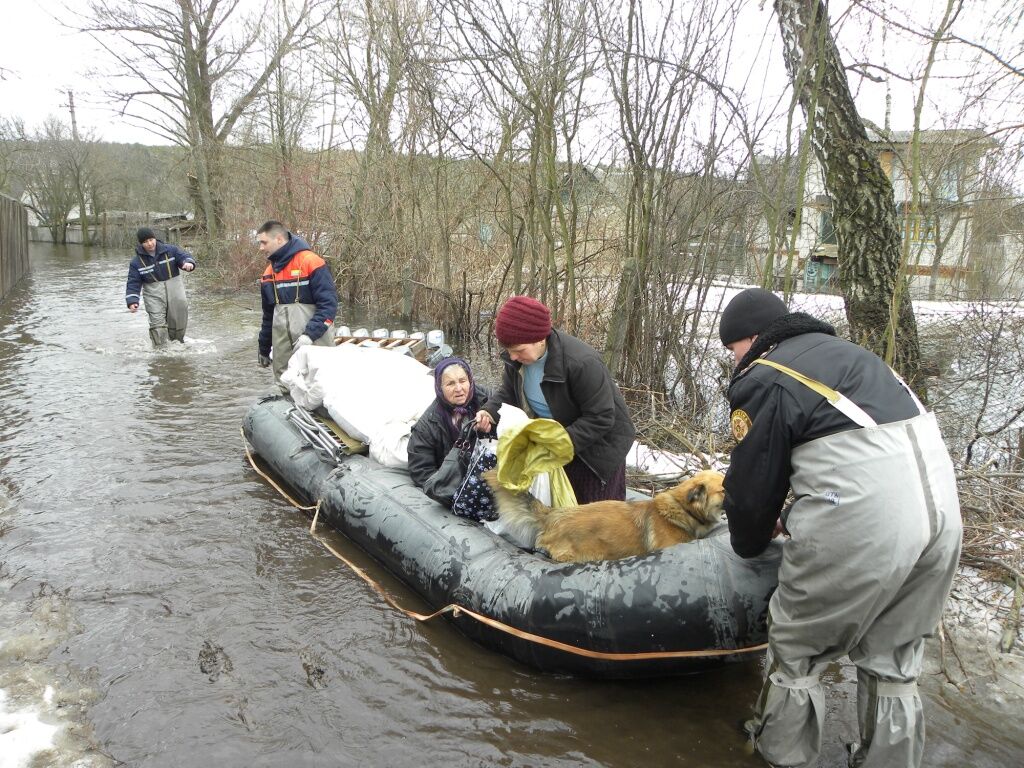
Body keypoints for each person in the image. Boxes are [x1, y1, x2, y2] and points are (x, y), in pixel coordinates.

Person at [718, 287, 962, 768]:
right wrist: (794, 516)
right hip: (940, 515)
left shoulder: (767, 374)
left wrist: (749, 541)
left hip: (868, 522)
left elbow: (753, 485)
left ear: (751, 339)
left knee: (799, 645)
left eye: (733, 351)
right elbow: (853, 455)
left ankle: (779, 755)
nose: (734, 361)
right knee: (894, 656)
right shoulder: (854, 358)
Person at [475, 296, 636, 504]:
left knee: (592, 518)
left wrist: (555, 442)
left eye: (518, 350)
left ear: (540, 339)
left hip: (595, 452)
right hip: (557, 442)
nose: (512, 357)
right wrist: (489, 410)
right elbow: (508, 393)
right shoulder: (517, 361)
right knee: (561, 512)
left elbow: (602, 417)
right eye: (509, 351)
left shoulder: (581, 363)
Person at [256, 220, 338, 383]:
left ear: (279, 239)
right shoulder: (268, 274)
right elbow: (268, 317)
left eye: (264, 242)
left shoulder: (311, 262)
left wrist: (309, 335)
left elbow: (328, 305)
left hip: (315, 340)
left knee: (320, 379)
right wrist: (264, 348)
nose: (261, 248)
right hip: (283, 346)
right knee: (284, 381)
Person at [407, 357, 495, 495]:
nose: (459, 389)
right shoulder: (427, 425)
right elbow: (422, 472)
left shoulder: (489, 399)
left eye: (462, 381)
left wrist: (487, 432)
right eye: (450, 384)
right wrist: (458, 492)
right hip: (455, 483)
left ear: (470, 381)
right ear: (439, 388)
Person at [125, 227, 196, 346]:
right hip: (153, 294)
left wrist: (188, 263)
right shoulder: (136, 262)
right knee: (157, 324)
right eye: (145, 241)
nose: (149, 243)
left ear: (155, 238)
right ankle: (161, 351)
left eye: (151, 239)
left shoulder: (170, 250)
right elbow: (133, 283)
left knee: (178, 319)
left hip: (175, 289)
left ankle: (177, 345)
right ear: (141, 244)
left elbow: (184, 257)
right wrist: (132, 301)